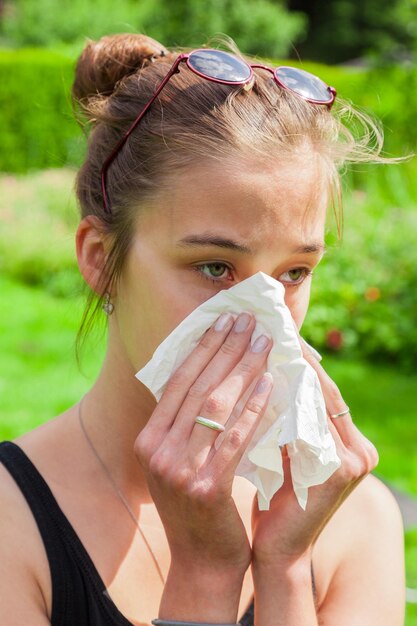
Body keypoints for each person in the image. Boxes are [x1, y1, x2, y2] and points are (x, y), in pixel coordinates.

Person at [0, 33, 405, 626]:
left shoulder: (353, 520)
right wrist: (204, 576)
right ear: (98, 259)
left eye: (295, 272)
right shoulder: (14, 526)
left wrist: (286, 571)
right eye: (215, 267)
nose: (261, 310)